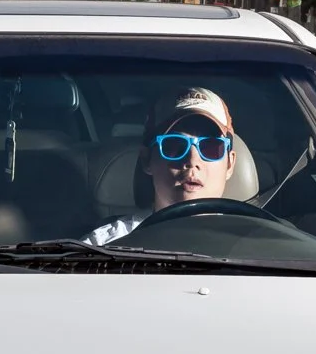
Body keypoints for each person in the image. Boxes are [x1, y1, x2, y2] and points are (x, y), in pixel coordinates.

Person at [86, 88, 239, 245]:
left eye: (210, 147)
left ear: (229, 164)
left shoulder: (249, 244)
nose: (192, 160)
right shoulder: (102, 246)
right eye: (173, 145)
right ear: (147, 159)